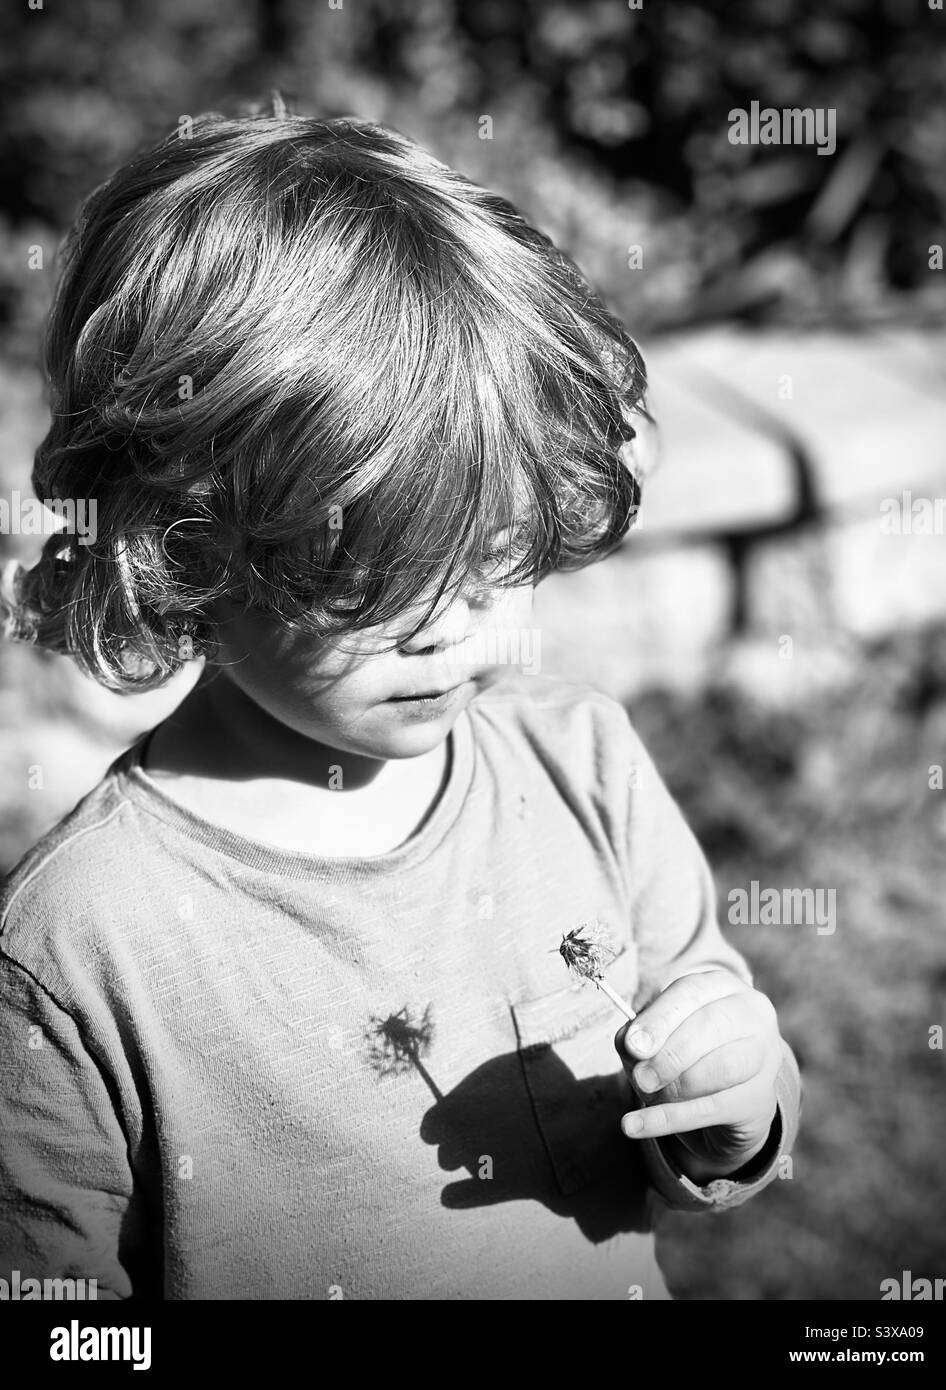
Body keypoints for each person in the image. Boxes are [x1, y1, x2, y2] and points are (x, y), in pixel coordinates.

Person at [0, 99, 800, 1300]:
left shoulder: (580, 765)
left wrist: (733, 1107)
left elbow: (709, 1019)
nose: (449, 625)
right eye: (368, 577)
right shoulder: (81, 947)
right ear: (181, 547)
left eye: (488, 559)